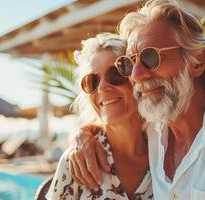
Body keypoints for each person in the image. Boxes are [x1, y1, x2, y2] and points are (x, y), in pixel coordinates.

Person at [68, 0, 205, 199]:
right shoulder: (151, 130)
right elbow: (114, 121)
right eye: (129, 63)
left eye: (150, 57)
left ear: (197, 62)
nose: (136, 75)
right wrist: (80, 135)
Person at [45, 33, 153, 200]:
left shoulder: (165, 151)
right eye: (92, 81)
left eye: (115, 74)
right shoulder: (75, 161)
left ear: (136, 77)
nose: (102, 88)